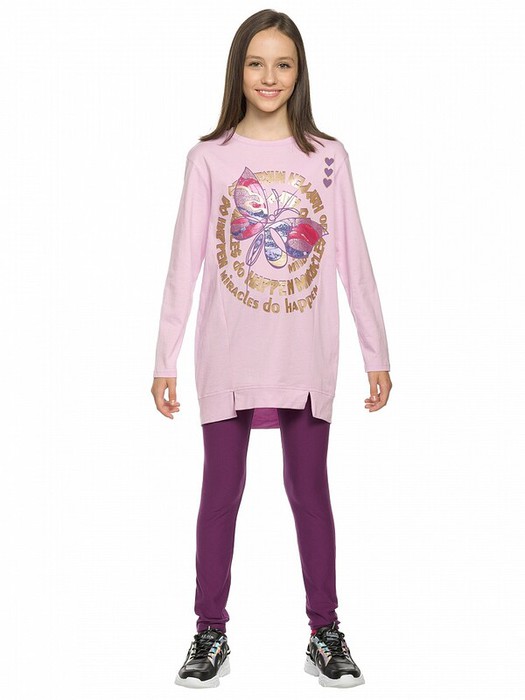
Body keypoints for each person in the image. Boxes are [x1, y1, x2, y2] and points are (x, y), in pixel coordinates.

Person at [151, 8, 392, 690]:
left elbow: (353, 258)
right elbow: (184, 262)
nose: (269, 76)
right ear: (238, 70)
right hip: (227, 356)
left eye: (283, 64)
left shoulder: (327, 157)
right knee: (220, 494)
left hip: (304, 357)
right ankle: (209, 631)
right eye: (256, 63)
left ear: (299, 72)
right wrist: (165, 357)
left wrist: (375, 351)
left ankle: (325, 631)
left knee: (309, 491)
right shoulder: (209, 157)